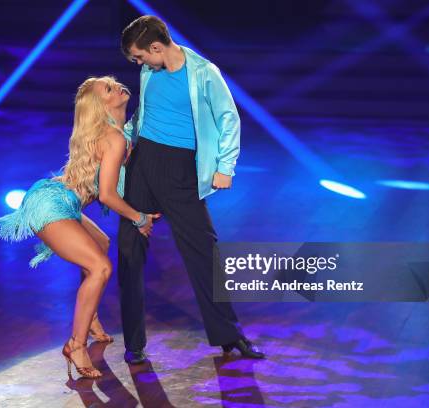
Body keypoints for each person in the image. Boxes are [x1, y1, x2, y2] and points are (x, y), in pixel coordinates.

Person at [0, 76, 160, 379]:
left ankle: (88, 319)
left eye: (114, 83)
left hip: (64, 202)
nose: (117, 86)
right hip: (50, 203)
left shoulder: (117, 133)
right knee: (101, 267)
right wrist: (139, 218)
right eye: (108, 88)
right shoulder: (112, 137)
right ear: (100, 104)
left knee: (101, 245)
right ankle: (76, 345)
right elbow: (107, 195)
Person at [117, 15, 265, 364]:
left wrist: (224, 167)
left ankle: (230, 335)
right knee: (129, 251)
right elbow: (144, 113)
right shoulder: (149, 72)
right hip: (143, 164)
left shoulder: (203, 72)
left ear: (156, 47)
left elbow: (228, 117)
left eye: (140, 57)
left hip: (181, 170)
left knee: (202, 250)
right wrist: (123, 139)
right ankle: (133, 343)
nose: (139, 64)